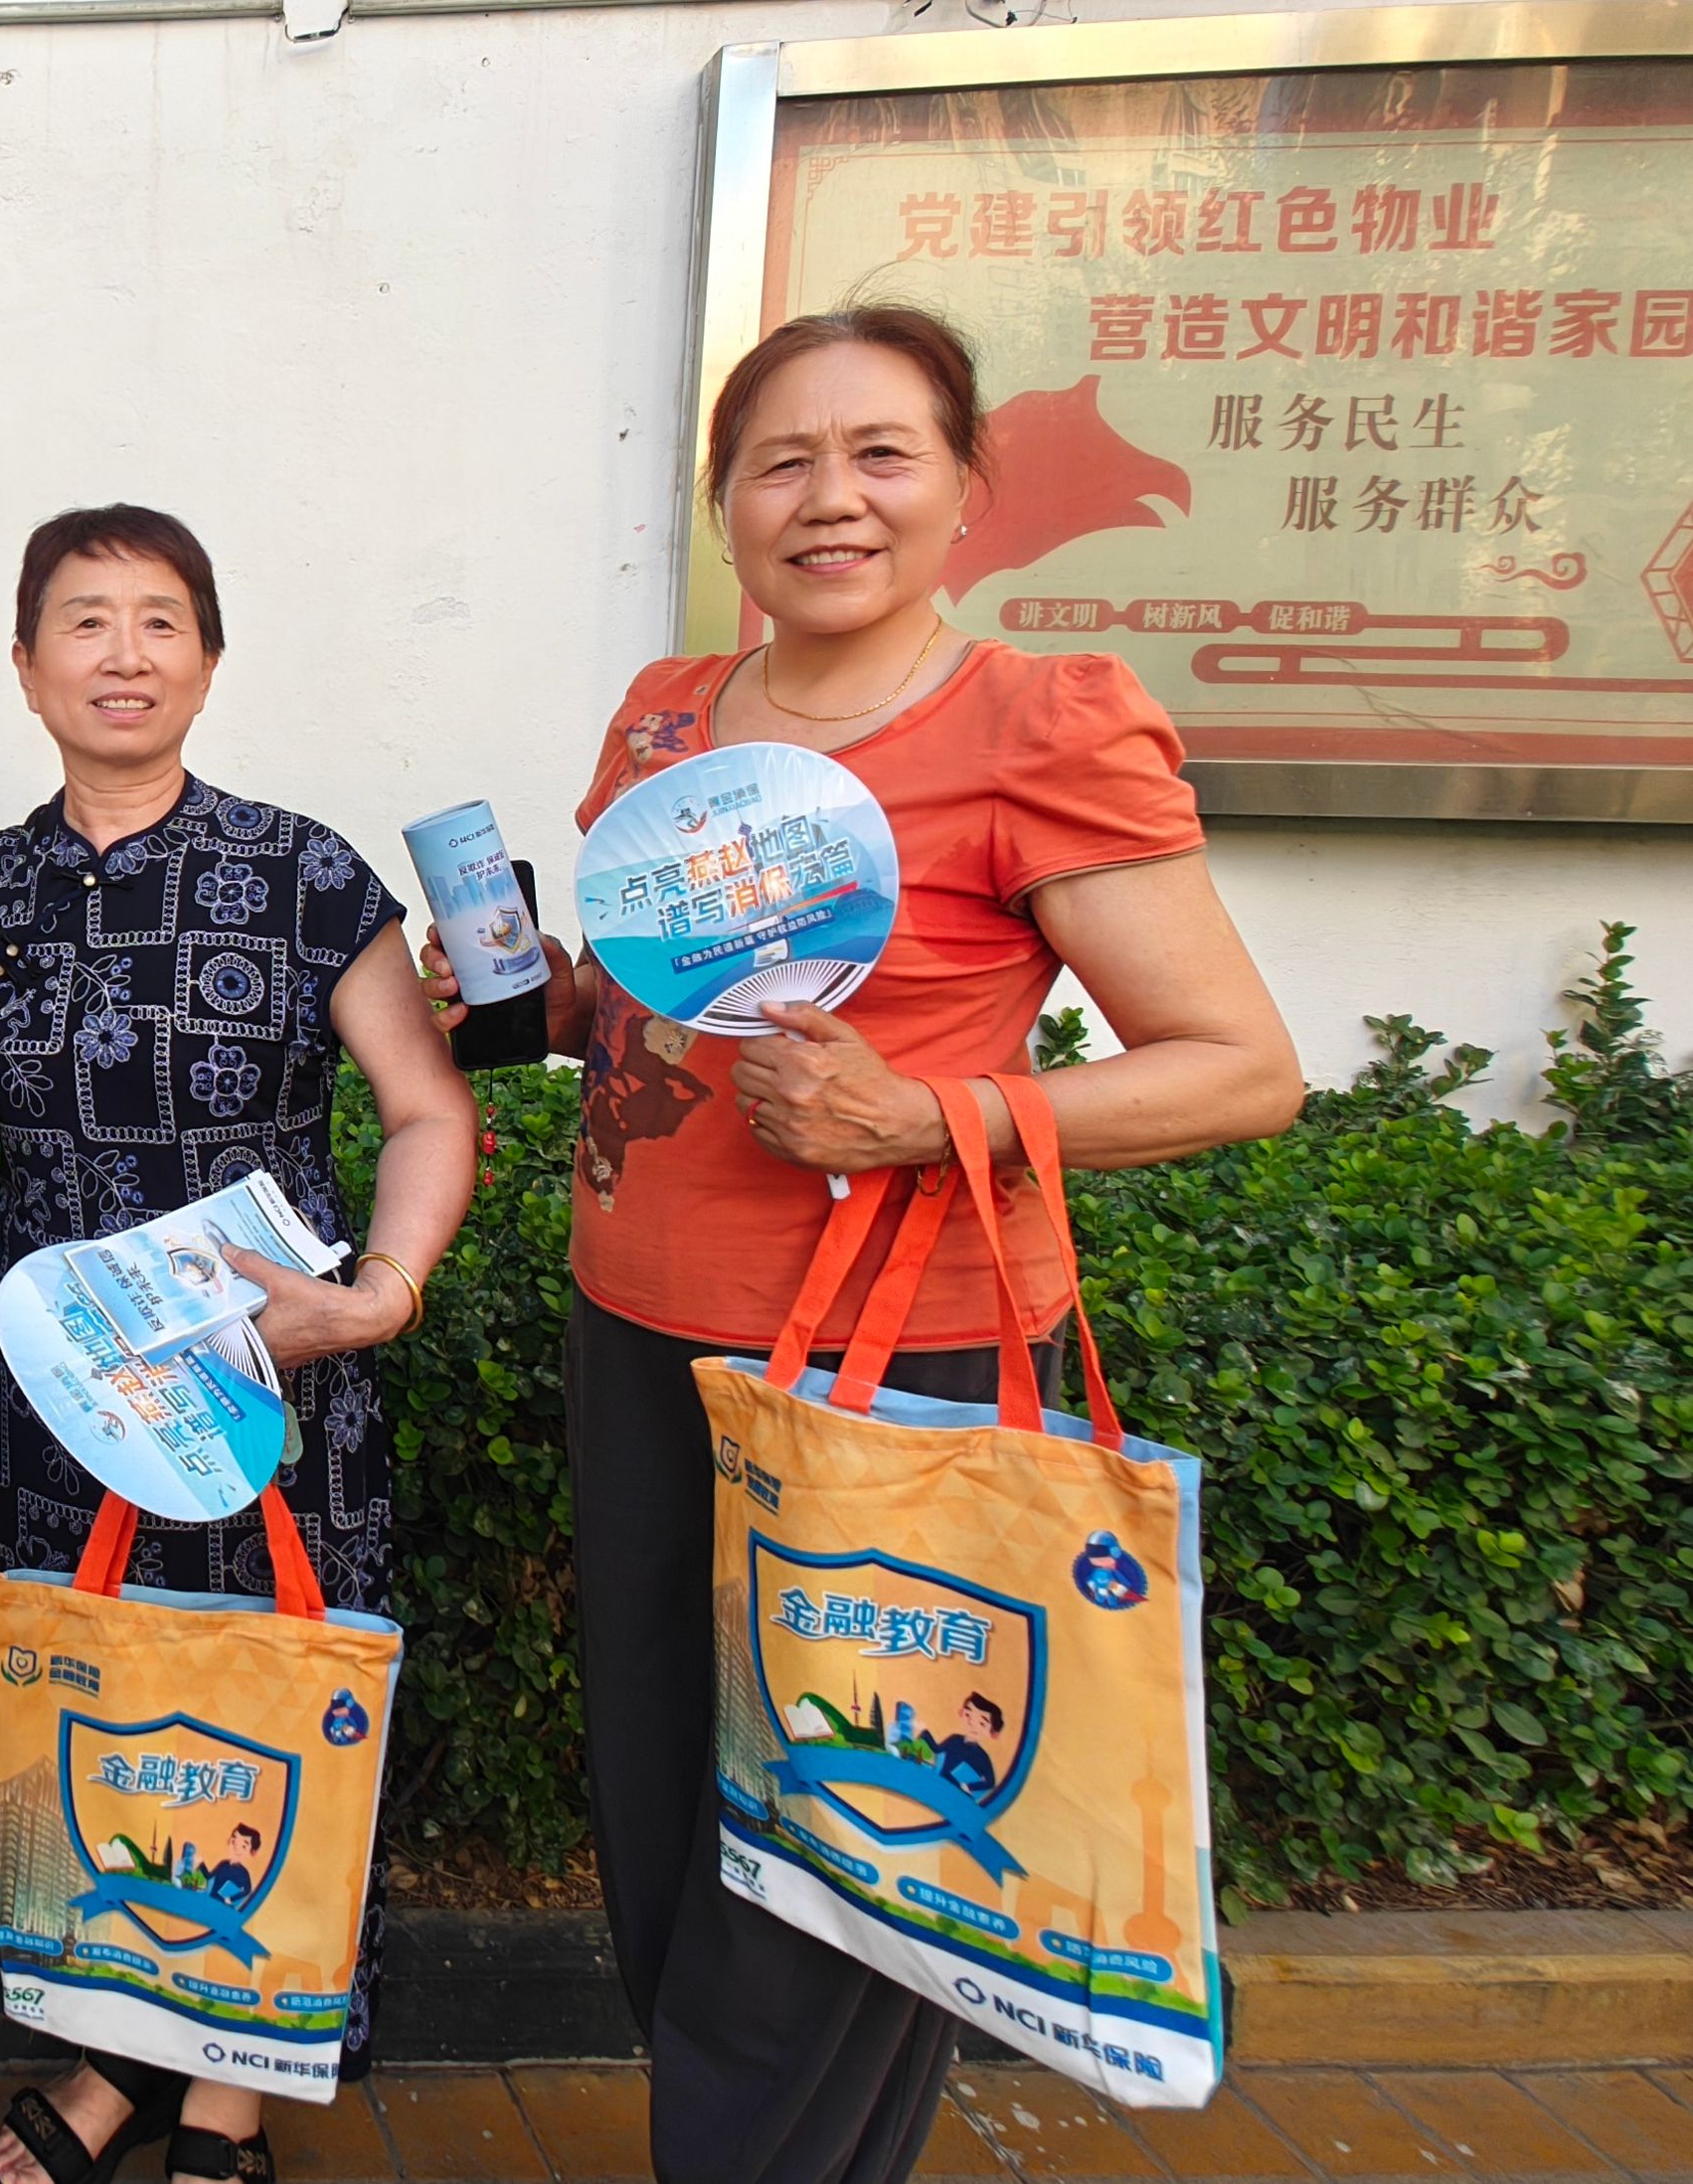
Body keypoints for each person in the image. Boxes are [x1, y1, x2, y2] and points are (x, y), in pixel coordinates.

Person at [424, 303, 1300, 2184]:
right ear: (725, 503)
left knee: (834, 1848)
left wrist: (922, 1116)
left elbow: (1242, 1069)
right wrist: (541, 999)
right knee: (668, 1816)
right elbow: (658, 1018)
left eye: (882, 453)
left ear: (967, 489)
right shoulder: (669, 715)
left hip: (895, 1364)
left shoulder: (1038, 723)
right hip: (639, 1333)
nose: (832, 498)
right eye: (784, 462)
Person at [0, 505, 480, 2184]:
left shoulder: (307, 875)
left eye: (160, 618)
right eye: (84, 620)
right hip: (64, 1400)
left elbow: (425, 1107)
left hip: (271, 1385)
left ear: (211, 660)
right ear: (26, 667)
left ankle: (230, 2083)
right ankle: (117, 2051)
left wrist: (379, 1292)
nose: (124, 652)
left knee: (262, 1716)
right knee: (105, 1718)